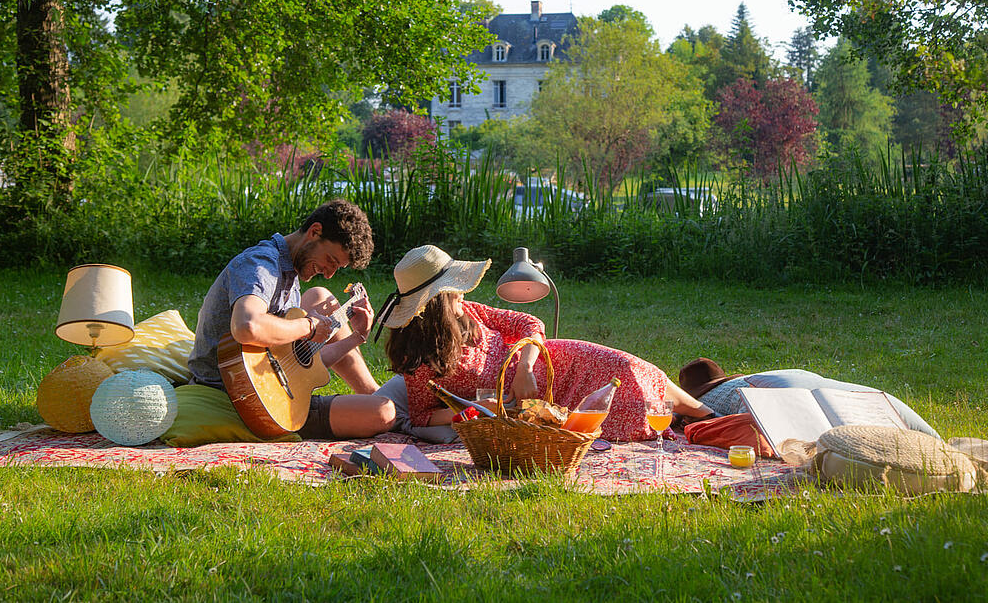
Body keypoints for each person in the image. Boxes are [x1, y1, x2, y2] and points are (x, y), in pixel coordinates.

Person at [374, 245, 716, 441]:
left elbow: (529, 321)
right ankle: (696, 424)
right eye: (454, 287)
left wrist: (524, 365)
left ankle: (708, 415)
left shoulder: (470, 311)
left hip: (552, 364)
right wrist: (477, 412)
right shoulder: (417, 360)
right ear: (438, 300)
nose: (462, 291)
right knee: (615, 412)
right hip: (535, 405)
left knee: (627, 367)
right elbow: (420, 417)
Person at [188, 199, 395, 439]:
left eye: (337, 268)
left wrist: (356, 338)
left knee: (320, 296)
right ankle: (388, 403)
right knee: (385, 412)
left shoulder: (290, 278)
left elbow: (298, 367)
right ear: (314, 232)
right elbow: (247, 326)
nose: (329, 274)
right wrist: (308, 325)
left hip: (269, 388)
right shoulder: (261, 264)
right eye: (330, 260)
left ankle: (375, 393)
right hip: (239, 396)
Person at [677, 357, 941, 439]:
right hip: (813, 381)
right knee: (865, 402)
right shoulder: (758, 375)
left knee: (830, 431)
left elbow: (684, 415)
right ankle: (931, 438)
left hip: (782, 394)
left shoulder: (709, 400)